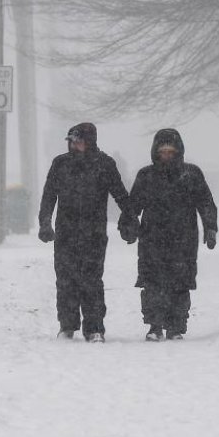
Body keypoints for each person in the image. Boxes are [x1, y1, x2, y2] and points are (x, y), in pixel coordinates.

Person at [38, 122, 131, 343]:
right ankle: (67, 325)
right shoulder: (60, 164)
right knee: (66, 280)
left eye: (78, 141)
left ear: (89, 142)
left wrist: (129, 217)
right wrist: (44, 222)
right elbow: (49, 196)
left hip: (94, 233)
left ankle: (94, 327)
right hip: (65, 232)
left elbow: (120, 193)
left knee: (91, 280)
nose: (74, 145)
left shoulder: (105, 165)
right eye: (72, 141)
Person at [121, 128, 217, 341]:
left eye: (171, 151)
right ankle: (154, 325)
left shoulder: (191, 174)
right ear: (156, 152)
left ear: (178, 152)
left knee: (180, 283)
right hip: (152, 238)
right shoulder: (146, 175)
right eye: (162, 151)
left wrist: (211, 227)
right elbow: (133, 205)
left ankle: (176, 326)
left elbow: (206, 202)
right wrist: (128, 226)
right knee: (152, 283)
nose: (166, 155)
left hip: (183, 239)